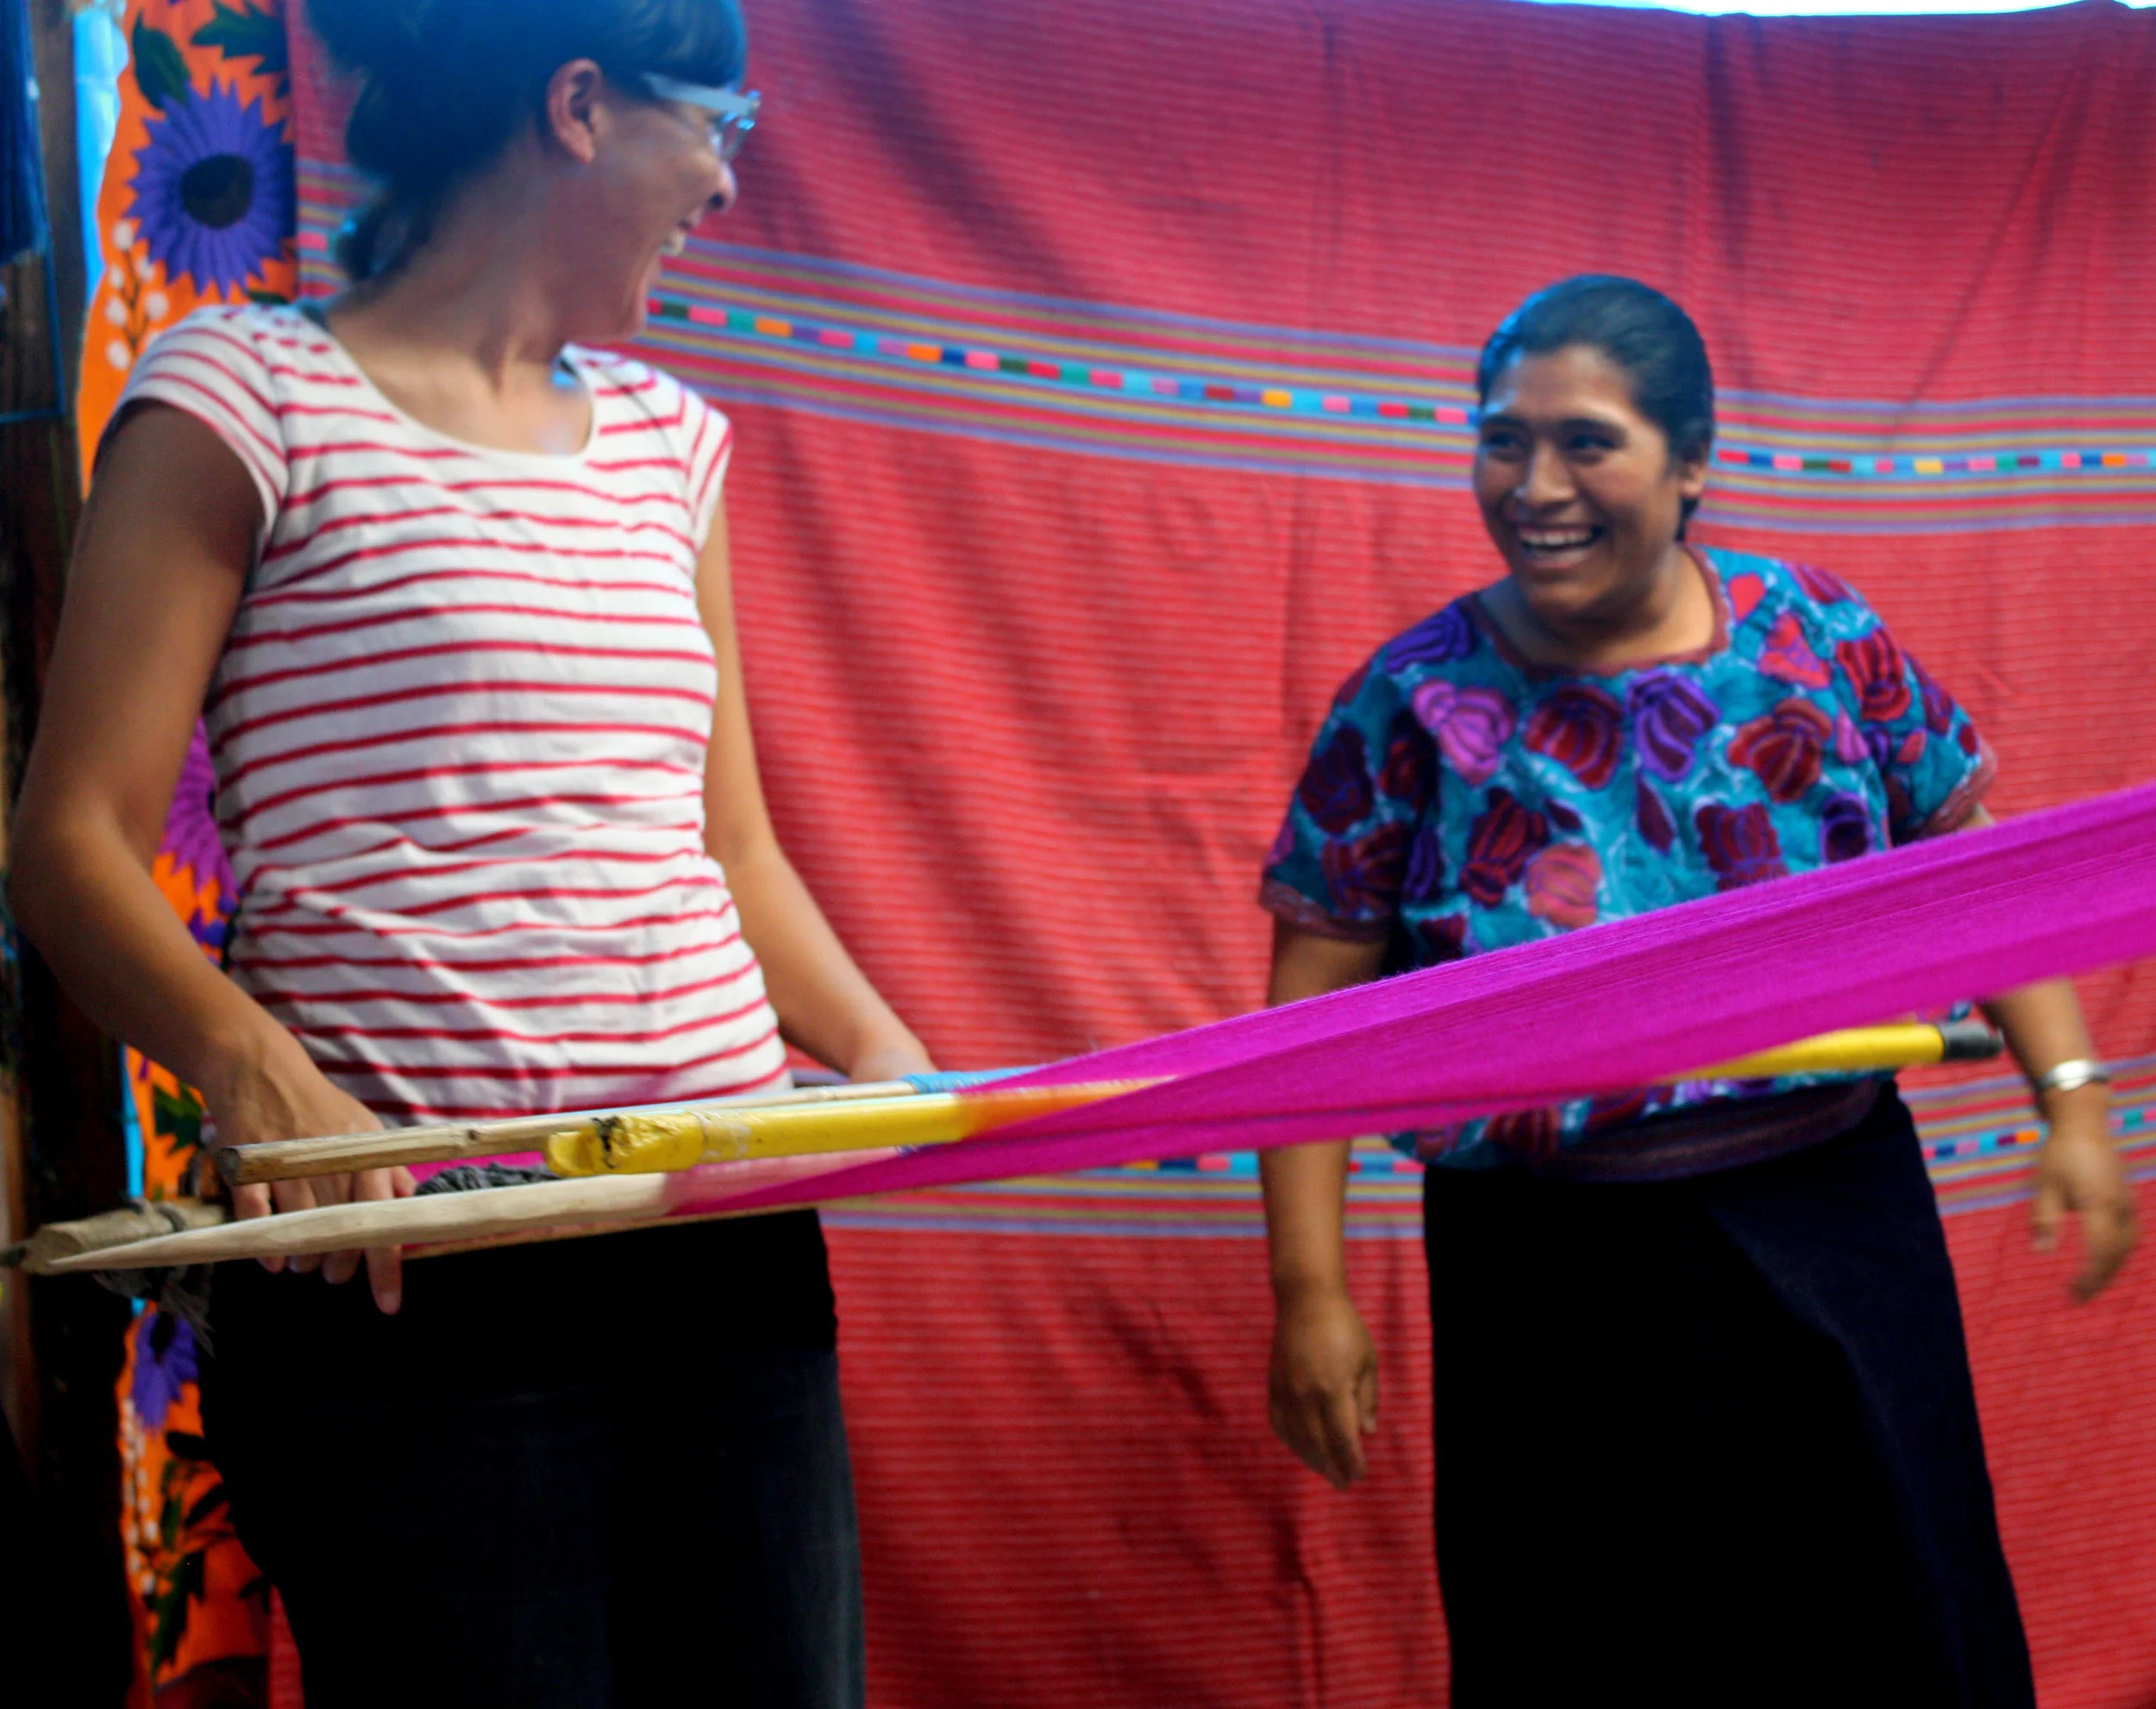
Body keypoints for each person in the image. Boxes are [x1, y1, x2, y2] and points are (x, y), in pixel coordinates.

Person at [9, 3, 925, 1703]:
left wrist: (881, 1064)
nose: (725, 181)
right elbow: (67, 846)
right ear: (578, 105)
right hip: (412, 1279)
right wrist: (246, 1060)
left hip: (722, 1245)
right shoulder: (245, 394)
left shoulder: (669, 440)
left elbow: (728, 849)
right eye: (716, 122)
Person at [1256, 275, 2137, 1708]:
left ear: (1693, 464)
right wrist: (1309, 1288)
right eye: (1502, 439)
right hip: (1548, 1266)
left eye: (1587, 442)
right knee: (1598, 1642)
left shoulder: (1815, 635)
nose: (1535, 484)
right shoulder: (1414, 695)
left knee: (1890, 1614)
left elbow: (1966, 863)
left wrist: (2074, 1097)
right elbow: (1313, 1003)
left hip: (1831, 1211)